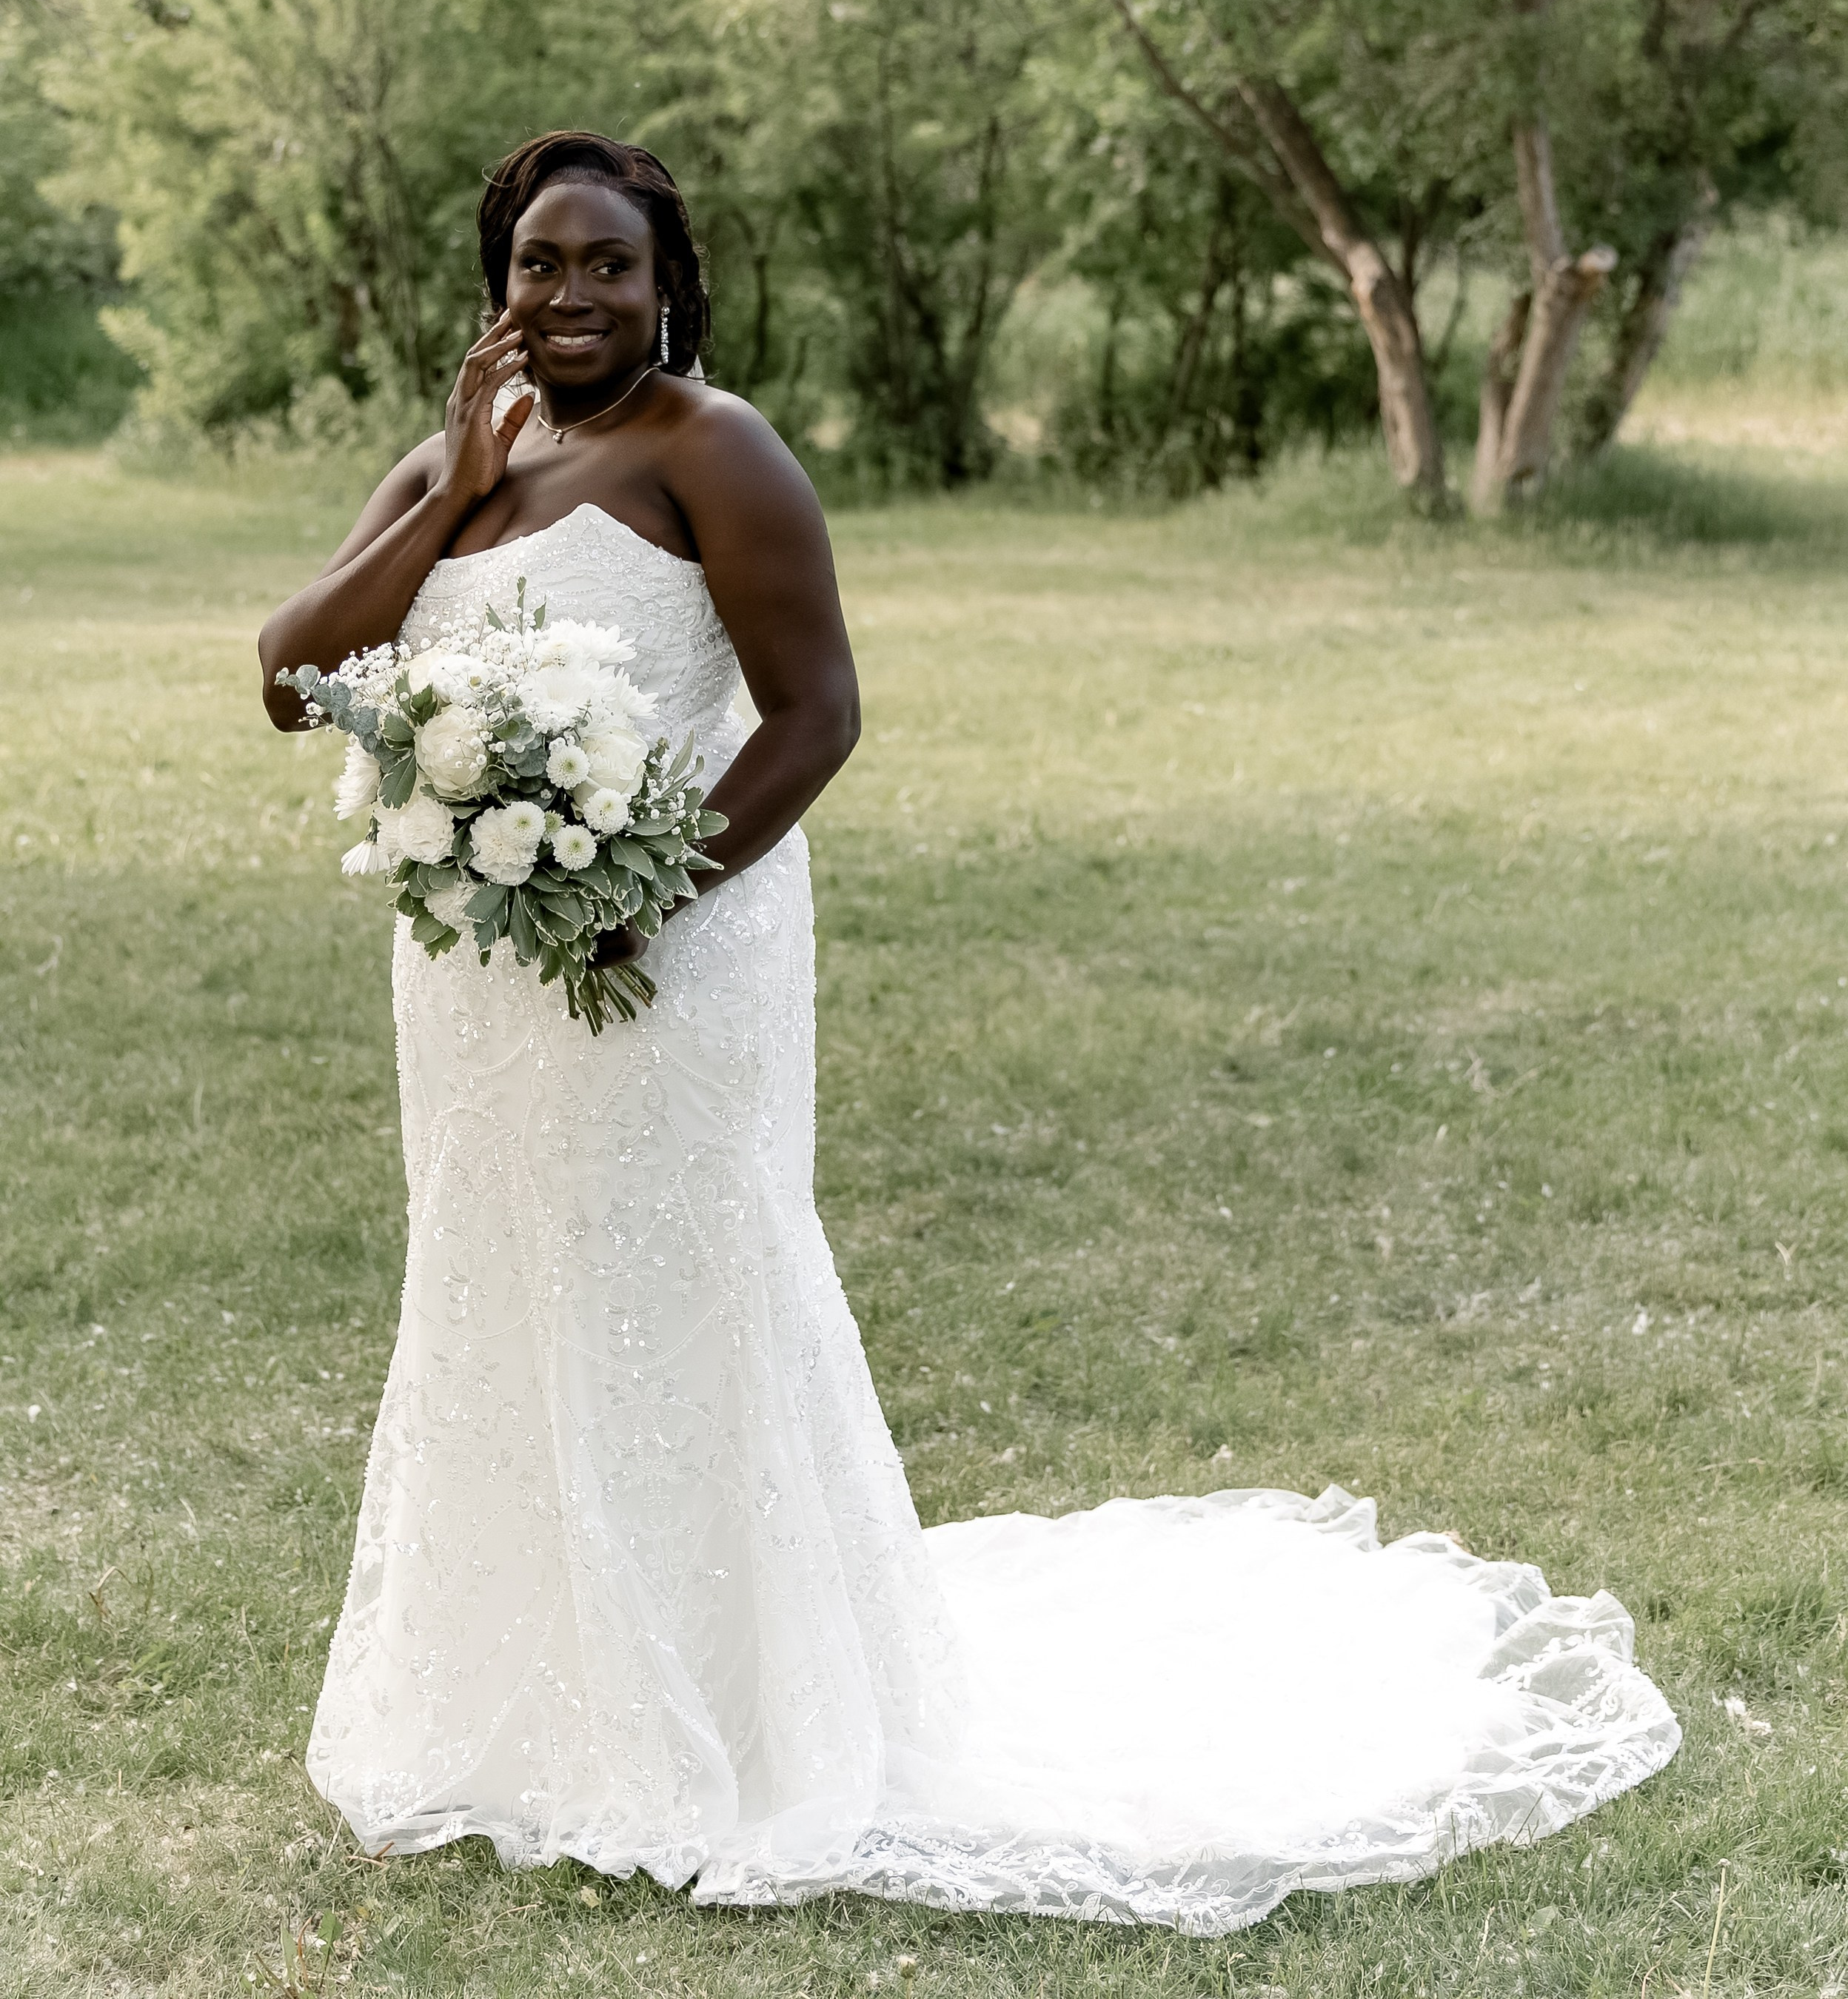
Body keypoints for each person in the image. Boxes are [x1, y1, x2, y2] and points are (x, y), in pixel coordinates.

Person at [258, 130, 1679, 1934]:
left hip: (671, 953)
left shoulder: (718, 451)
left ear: (665, 279)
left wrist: (639, 892)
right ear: (497, 286)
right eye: (541, 265)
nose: (572, 298)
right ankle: (527, 1706)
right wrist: (454, 488)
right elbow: (297, 673)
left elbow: (815, 716)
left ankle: (744, 1711)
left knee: (682, 1281)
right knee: (500, 1282)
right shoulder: (453, 462)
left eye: (607, 265)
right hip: (473, 988)